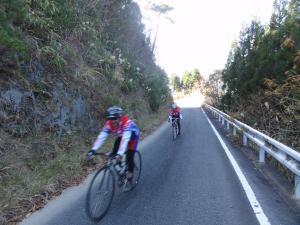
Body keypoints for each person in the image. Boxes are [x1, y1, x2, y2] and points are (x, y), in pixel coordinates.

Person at [87, 106, 139, 182]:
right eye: (111, 119)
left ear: (120, 117)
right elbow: (102, 136)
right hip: (121, 135)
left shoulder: (126, 123)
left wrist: (120, 154)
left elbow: (125, 139)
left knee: (130, 156)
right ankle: (120, 167)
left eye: (115, 118)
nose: (113, 121)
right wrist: (93, 149)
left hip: (132, 136)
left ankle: (130, 172)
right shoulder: (108, 124)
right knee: (114, 152)